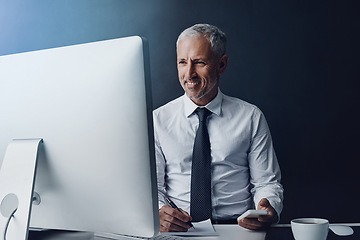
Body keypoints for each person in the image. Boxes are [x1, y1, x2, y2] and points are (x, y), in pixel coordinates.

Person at [153, 23, 284, 232]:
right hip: (178, 230)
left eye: (199, 63)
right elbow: (154, 189)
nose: (189, 73)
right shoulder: (158, 120)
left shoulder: (250, 117)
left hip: (238, 228)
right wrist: (159, 211)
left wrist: (268, 208)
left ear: (221, 65)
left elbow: (266, 183)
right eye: (182, 62)